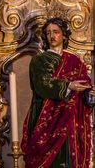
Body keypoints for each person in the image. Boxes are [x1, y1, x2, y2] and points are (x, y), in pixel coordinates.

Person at [21, 17, 94, 168]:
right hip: (47, 121)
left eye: (56, 32)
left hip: (69, 122)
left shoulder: (75, 61)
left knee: (67, 160)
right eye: (48, 33)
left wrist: (89, 94)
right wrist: (69, 85)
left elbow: (84, 86)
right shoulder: (39, 60)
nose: (52, 36)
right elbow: (42, 85)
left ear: (64, 35)